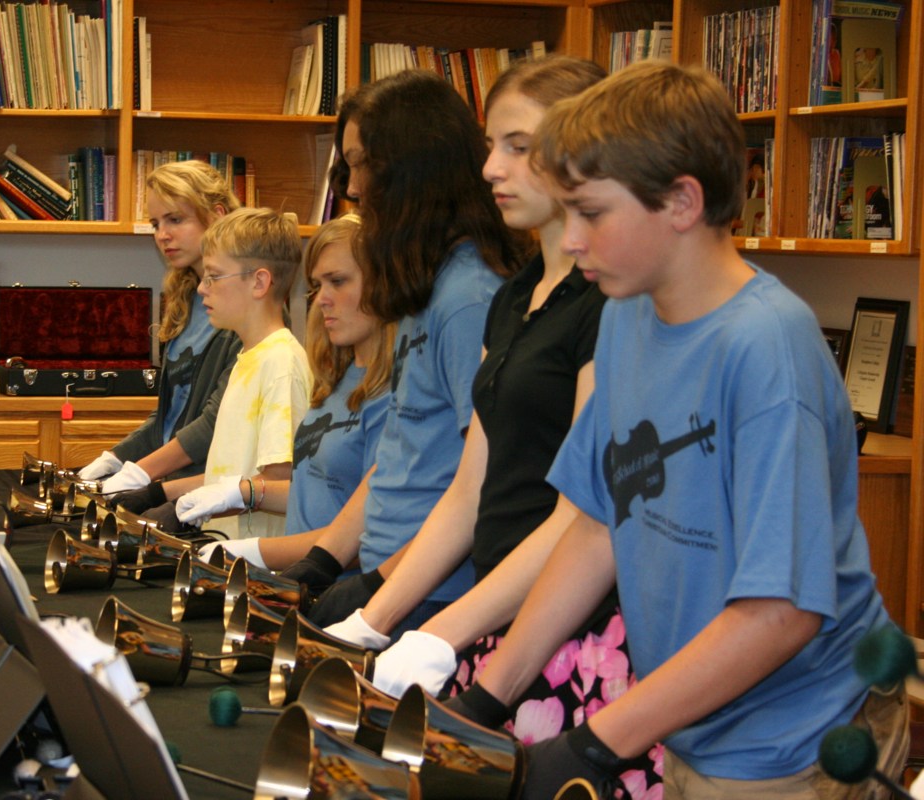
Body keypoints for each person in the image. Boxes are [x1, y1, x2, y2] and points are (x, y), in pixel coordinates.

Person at [444, 60, 906, 800]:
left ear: (683, 202)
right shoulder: (627, 315)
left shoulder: (766, 350)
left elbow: (780, 612)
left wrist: (598, 743)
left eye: (592, 214)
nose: (573, 239)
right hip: (695, 721)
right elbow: (599, 523)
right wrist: (486, 697)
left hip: (795, 740)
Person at [317, 54, 663, 795]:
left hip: (573, 633)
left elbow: (582, 520)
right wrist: (375, 617)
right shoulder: (514, 299)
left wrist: (440, 631)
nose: (491, 169)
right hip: (496, 621)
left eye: (518, 146)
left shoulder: (611, 305)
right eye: (490, 146)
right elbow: (470, 490)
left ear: (585, 150)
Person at [263, 69, 522, 637]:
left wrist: (381, 587)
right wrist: (324, 561)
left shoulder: (469, 298)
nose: (354, 188)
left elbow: (480, 483)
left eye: (364, 164)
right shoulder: (423, 286)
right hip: (390, 582)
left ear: (414, 167)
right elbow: (403, 450)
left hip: (430, 596)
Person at [178, 214, 393, 560]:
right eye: (317, 285)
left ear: (385, 286)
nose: (321, 299)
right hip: (301, 574)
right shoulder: (333, 383)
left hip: (332, 577)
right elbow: (311, 491)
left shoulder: (392, 395)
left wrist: (256, 552)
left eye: (337, 281)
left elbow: (373, 532)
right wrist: (244, 493)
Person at [126, 207, 311, 539]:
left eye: (213, 277)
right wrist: (159, 494)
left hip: (253, 557)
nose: (201, 288)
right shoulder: (249, 357)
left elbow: (280, 481)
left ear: (259, 282)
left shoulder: (280, 364)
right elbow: (229, 475)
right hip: (223, 546)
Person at [78, 160, 242, 495]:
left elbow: (217, 421)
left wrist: (141, 473)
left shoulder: (247, 305)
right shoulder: (185, 299)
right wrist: (116, 458)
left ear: (217, 216)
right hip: (173, 484)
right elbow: (170, 416)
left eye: (175, 219)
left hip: (209, 493)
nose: (162, 235)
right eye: (156, 223)